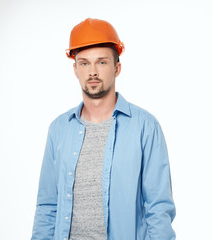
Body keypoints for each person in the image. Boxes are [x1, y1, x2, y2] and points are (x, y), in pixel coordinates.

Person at [31, 18, 176, 240]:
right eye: (84, 63)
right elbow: (47, 206)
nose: (92, 72)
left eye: (101, 62)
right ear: (75, 69)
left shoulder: (145, 127)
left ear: (117, 68)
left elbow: (158, 209)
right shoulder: (58, 130)